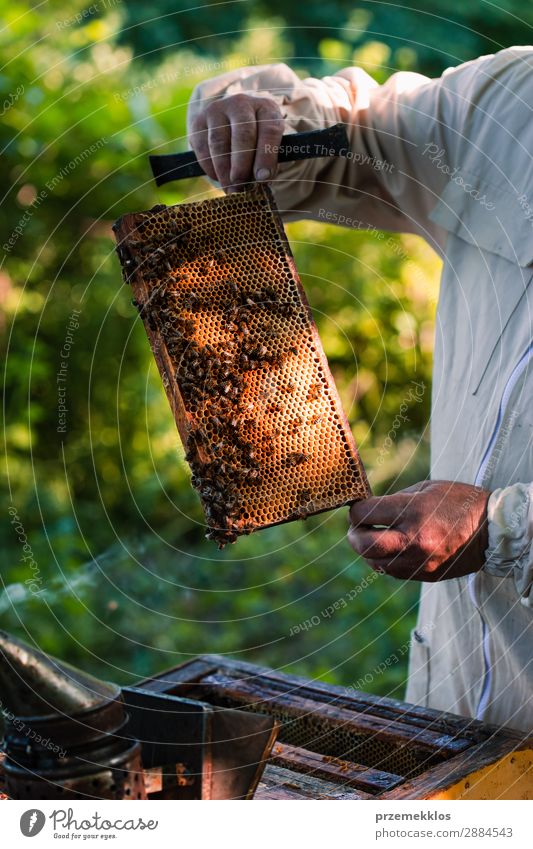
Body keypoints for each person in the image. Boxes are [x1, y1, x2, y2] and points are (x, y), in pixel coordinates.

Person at [187, 47, 533, 733]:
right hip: (451, 696)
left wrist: (502, 529)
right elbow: (352, 135)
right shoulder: (510, 100)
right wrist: (257, 119)